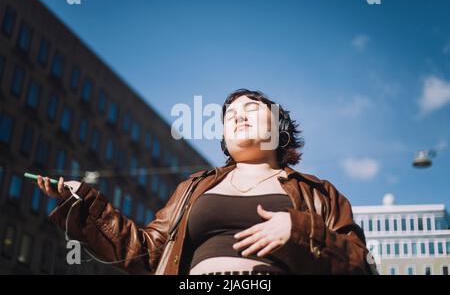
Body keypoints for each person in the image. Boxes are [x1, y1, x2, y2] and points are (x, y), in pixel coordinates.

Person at [36, 88, 373, 275]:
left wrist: (297, 230)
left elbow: (358, 265)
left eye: (252, 108)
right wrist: (86, 205)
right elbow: (145, 255)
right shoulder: (194, 188)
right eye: (230, 114)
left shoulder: (319, 193)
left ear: (279, 128)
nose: (238, 114)